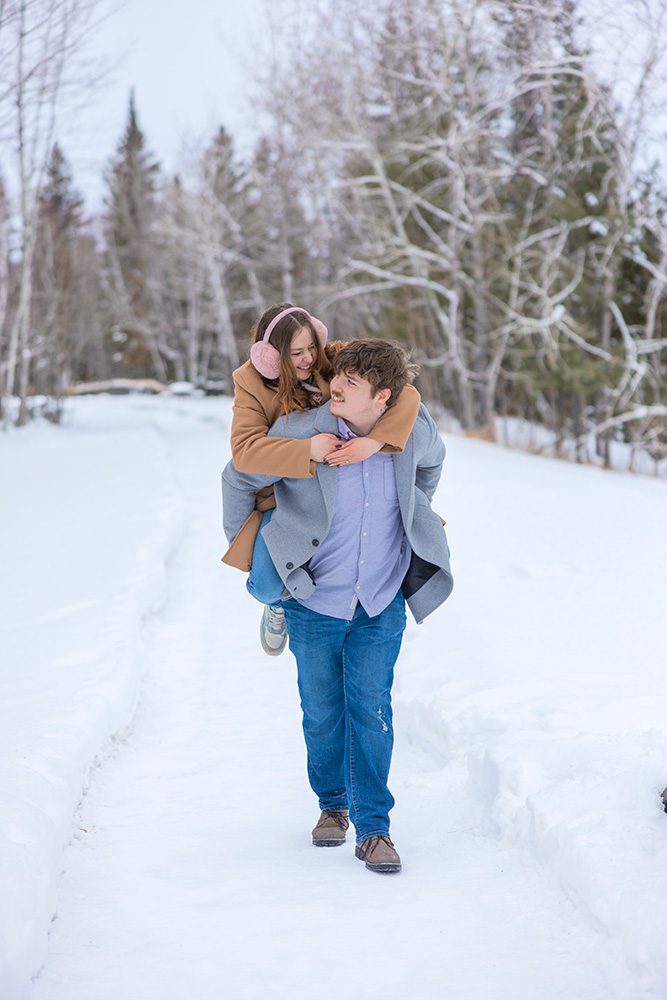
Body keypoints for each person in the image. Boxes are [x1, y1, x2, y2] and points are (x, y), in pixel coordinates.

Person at [222, 340, 453, 874]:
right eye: (338, 377)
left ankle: (374, 829)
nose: (336, 387)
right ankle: (332, 804)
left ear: (383, 396)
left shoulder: (410, 432)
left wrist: (418, 507)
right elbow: (237, 477)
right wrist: (250, 545)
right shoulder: (302, 430)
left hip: (380, 599)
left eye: (351, 382)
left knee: (371, 709)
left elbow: (432, 463)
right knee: (322, 712)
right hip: (313, 599)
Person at [223, 303, 421, 655]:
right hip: (282, 493)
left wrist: (376, 441)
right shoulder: (250, 382)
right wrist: (306, 450)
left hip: (335, 484)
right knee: (267, 586)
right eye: (296, 352)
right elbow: (244, 453)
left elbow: (405, 393)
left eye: (311, 346)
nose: (308, 358)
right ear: (271, 356)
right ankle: (278, 606)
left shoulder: (330, 359)